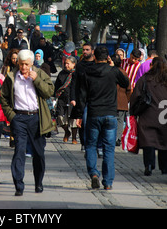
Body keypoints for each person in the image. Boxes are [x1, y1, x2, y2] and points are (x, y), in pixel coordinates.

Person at [0, 49, 55, 196]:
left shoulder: (39, 73)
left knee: (38, 153)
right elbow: (3, 97)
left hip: (36, 118)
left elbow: (49, 92)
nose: (24, 67)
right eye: (21, 63)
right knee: (19, 151)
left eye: (26, 64)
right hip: (19, 118)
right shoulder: (12, 77)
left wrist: (36, 79)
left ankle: (38, 182)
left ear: (31, 63)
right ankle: (19, 185)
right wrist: (11, 116)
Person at [76, 46, 129, 190]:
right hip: (111, 114)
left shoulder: (87, 72)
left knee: (91, 145)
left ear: (94, 56)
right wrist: (113, 66)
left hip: (94, 113)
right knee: (109, 149)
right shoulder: (113, 72)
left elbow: (82, 95)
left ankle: (93, 173)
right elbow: (126, 83)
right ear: (108, 58)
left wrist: (79, 114)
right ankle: (108, 182)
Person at [130, 56, 167, 176]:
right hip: (164, 115)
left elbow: (136, 95)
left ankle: (149, 165)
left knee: (149, 142)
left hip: (148, 115)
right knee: (163, 142)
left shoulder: (145, 79)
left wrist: (133, 112)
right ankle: (164, 167)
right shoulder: (165, 80)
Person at [109, 54, 131, 146]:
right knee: (120, 120)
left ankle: (111, 138)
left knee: (112, 120)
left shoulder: (110, 72)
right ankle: (118, 138)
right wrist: (127, 99)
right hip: (122, 100)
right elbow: (129, 89)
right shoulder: (124, 72)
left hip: (110, 101)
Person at [54, 56, 77, 144]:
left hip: (73, 99)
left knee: (73, 120)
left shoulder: (76, 74)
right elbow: (56, 86)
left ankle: (74, 138)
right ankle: (67, 132)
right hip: (62, 99)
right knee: (60, 117)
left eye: (68, 63)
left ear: (73, 64)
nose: (66, 65)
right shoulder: (61, 74)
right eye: (65, 63)